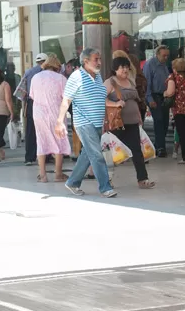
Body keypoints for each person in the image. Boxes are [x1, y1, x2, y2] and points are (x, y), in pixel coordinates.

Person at [54, 48, 116, 198]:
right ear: (85, 61)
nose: (99, 62)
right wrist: (59, 122)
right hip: (84, 122)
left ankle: (73, 182)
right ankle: (105, 187)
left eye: (99, 59)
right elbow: (66, 100)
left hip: (96, 122)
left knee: (87, 154)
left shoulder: (98, 76)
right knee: (96, 154)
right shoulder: (76, 77)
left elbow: (100, 97)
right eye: (96, 59)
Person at [106, 57, 155, 189]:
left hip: (132, 122)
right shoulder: (110, 82)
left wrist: (138, 116)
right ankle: (107, 179)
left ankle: (143, 179)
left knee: (137, 151)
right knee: (114, 152)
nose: (125, 70)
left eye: (127, 67)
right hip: (117, 123)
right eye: (122, 67)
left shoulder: (130, 82)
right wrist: (115, 104)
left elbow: (135, 101)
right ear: (115, 69)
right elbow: (100, 100)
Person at [28, 55, 70, 182]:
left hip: (39, 113)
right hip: (56, 113)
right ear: (57, 66)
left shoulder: (35, 77)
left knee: (41, 141)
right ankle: (58, 174)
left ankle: (43, 175)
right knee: (59, 141)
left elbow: (32, 96)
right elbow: (66, 98)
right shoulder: (61, 79)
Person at [18, 53, 48, 166]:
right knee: (45, 129)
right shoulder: (50, 73)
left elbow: (21, 91)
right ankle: (46, 156)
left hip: (32, 102)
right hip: (46, 103)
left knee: (31, 130)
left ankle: (29, 157)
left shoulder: (28, 72)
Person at [143, 45, 172, 157]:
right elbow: (147, 83)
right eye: (164, 55)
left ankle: (158, 144)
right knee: (159, 120)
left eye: (167, 56)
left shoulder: (165, 65)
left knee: (165, 122)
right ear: (157, 54)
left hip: (164, 96)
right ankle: (161, 147)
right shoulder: (150, 64)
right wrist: (149, 98)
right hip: (154, 95)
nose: (166, 58)